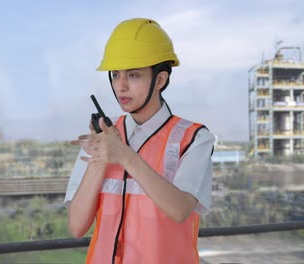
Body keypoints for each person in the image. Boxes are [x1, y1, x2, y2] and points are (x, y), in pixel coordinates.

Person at [64, 18, 215, 264]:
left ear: (160, 80)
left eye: (133, 75)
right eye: (115, 75)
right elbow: (77, 226)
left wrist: (123, 155)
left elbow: (179, 210)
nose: (121, 86)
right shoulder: (103, 135)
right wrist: (98, 161)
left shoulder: (195, 138)